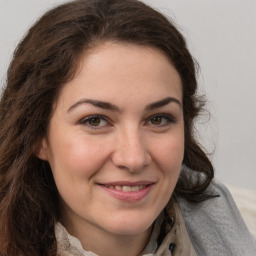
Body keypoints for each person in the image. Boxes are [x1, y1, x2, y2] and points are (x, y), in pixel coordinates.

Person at [0, 0, 255, 255]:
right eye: (95, 121)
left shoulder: (229, 218)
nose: (133, 158)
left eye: (158, 119)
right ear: (37, 135)